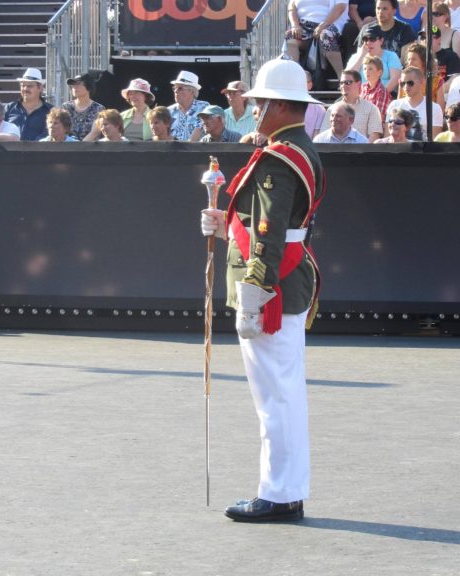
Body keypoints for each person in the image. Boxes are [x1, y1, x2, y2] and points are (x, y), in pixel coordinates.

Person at [199, 58, 325, 523]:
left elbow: (271, 236)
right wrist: (224, 227)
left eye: (257, 103)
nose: (252, 111)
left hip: (272, 287)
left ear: (276, 105)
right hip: (283, 281)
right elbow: (264, 227)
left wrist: (254, 294)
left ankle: (279, 492)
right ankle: (284, 489)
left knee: (276, 396)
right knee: (282, 393)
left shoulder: (279, 158)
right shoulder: (291, 149)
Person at [285, 0, 348, 79]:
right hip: (303, 25)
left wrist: (324, 24)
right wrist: (295, 25)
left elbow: (341, 7)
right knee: (290, 35)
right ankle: (294, 75)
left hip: (330, 23)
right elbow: (291, 7)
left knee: (326, 36)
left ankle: (342, 77)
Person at [320, 69, 384, 140]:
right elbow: (324, 134)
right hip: (335, 149)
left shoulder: (371, 109)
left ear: (359, 84)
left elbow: (374, 136)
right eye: (341, 83)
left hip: (362, 150)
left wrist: (361, 150)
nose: (343, 86)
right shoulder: (332, 109)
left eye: (347, 82)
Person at [386, 65, 444, 138]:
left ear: (422, 82)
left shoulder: (434, 108)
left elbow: (435, 140)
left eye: (410, 83)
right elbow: (387, 138)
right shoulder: (394, 105)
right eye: (403, 83)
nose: (406, 86)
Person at [345, 27, 402, 92]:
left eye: (372, 39)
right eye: (365, 39)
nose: (368, 43)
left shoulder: (391, 56)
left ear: (381, 40)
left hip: (385, 94)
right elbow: (347, 78)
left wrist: (381, 94)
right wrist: (361, 56)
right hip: (359, 96)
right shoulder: (356, 57)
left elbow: (395, 78)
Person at [4, 68, 53, 141]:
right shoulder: (9, 108)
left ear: (40, 88)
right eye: (23, 85)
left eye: (29, 86)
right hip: (9, 151)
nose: (25, 89)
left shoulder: (51, 111)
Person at [167, 70, 209, 142]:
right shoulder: (169, 111)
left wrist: (185, 151)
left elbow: (198, 131)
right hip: (172, 150)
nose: (175, 91)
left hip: (195, 150)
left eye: (180, 88)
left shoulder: (203, 107)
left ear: (192, 91)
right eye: (175, 88)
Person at [62, 73, 105, 140]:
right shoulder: (66, 107)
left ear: (89, 86)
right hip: (69, 147)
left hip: (92, 148)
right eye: (73, 84)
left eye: (78, 83)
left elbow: (95, 133)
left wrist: (79, 148)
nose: (75, 87)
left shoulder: (98, 109)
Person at [404, 42, 446, 109]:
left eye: (414, 59)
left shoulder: (436, 81)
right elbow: (399, 104)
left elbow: (440, 109)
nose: (410, 63)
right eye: (409, 59)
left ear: (424, 61)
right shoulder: (403, 81)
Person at [120, 77, 154, 141]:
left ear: (146, 96)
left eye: (137, 93)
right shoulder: (121, 116)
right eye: (131, 93)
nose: (133, 96)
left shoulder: (155, 116)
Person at [360, 54, 393, 119]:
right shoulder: (362, 88)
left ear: (379, 72)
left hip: (375, 127)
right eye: (364, 69)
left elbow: (379, 117)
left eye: (370, 69)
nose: (366, 71)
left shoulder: (382, 92)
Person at [303, 70, 327, 138]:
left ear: (310, 85)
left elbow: (317, 136)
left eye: (301, 82)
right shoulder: (285, 106)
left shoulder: (319, 109)